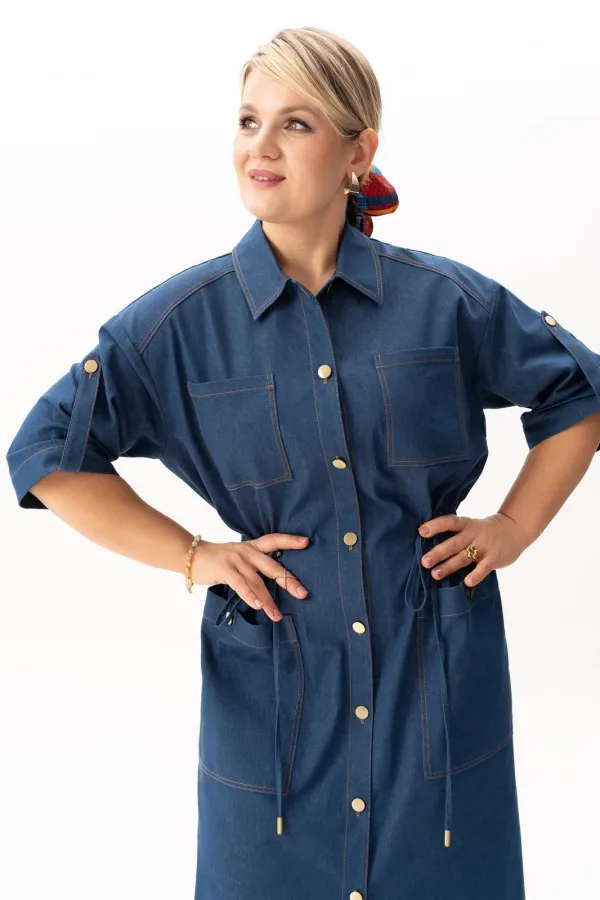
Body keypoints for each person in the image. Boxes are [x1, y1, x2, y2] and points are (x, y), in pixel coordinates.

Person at [6, 25, 600, 900]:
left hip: (434, 694)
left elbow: (579, 392)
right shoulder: (178, 325)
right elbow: (45, 452)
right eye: (249, 120)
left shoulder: (446, 303)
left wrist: (514, 525)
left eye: (295, 123)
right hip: (278, 708)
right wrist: (193, 556)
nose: (261, 146)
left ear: (359, 151)